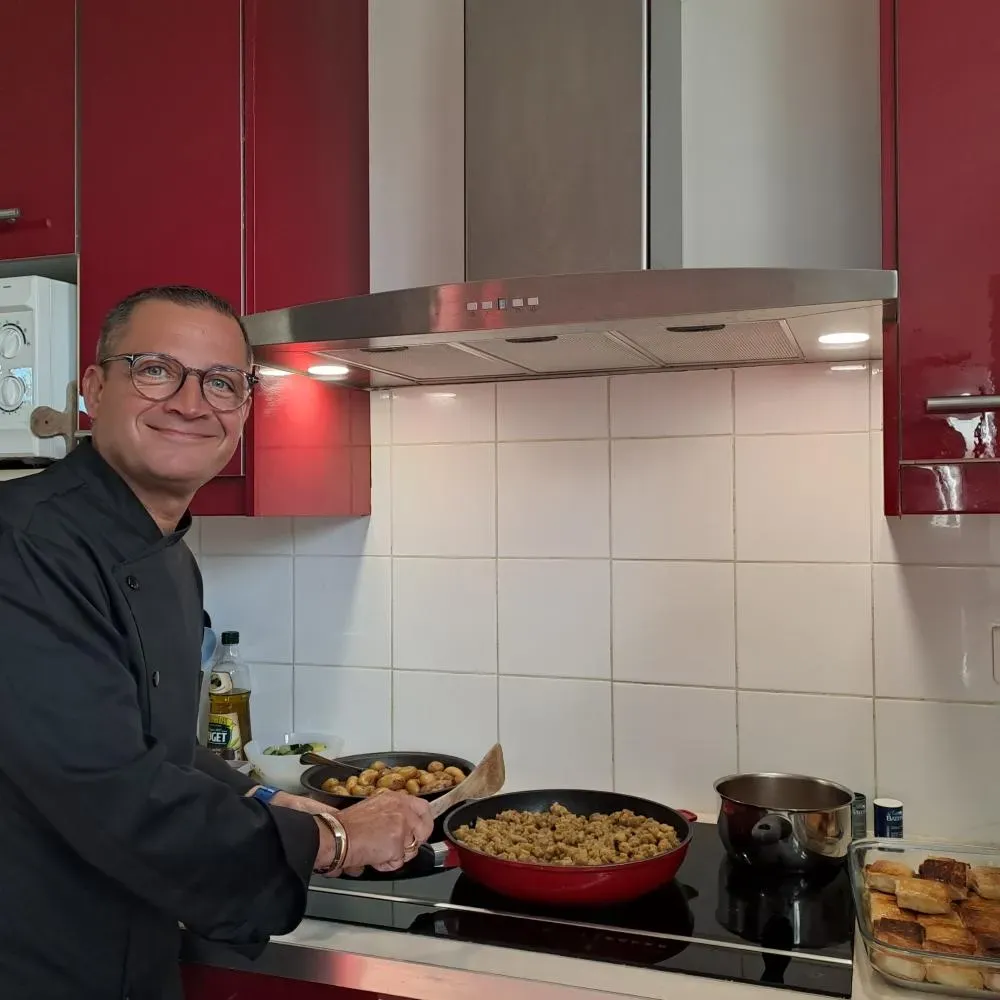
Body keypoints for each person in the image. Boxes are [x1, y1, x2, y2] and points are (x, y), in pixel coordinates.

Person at [0, 285, 434, 1000]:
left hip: (127, 954)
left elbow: (159, 739)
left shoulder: (167, 549)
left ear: (244, 408)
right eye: (155, 370)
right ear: (94, 386)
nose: (190, 403)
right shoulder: (25, 547)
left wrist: (268, 796)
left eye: (221, 382)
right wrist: (339, 840)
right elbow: (113, 792)